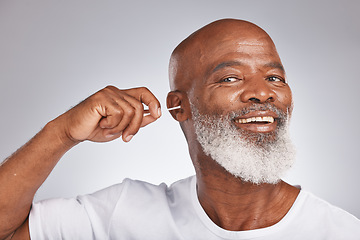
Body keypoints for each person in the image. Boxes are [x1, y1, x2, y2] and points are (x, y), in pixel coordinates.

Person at [0, 18, 359, 240]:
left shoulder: (340, 232)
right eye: (230, 77)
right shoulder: (125, 213)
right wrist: (61, 132)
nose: (263, 92)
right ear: (179, 106)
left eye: (274, 77)